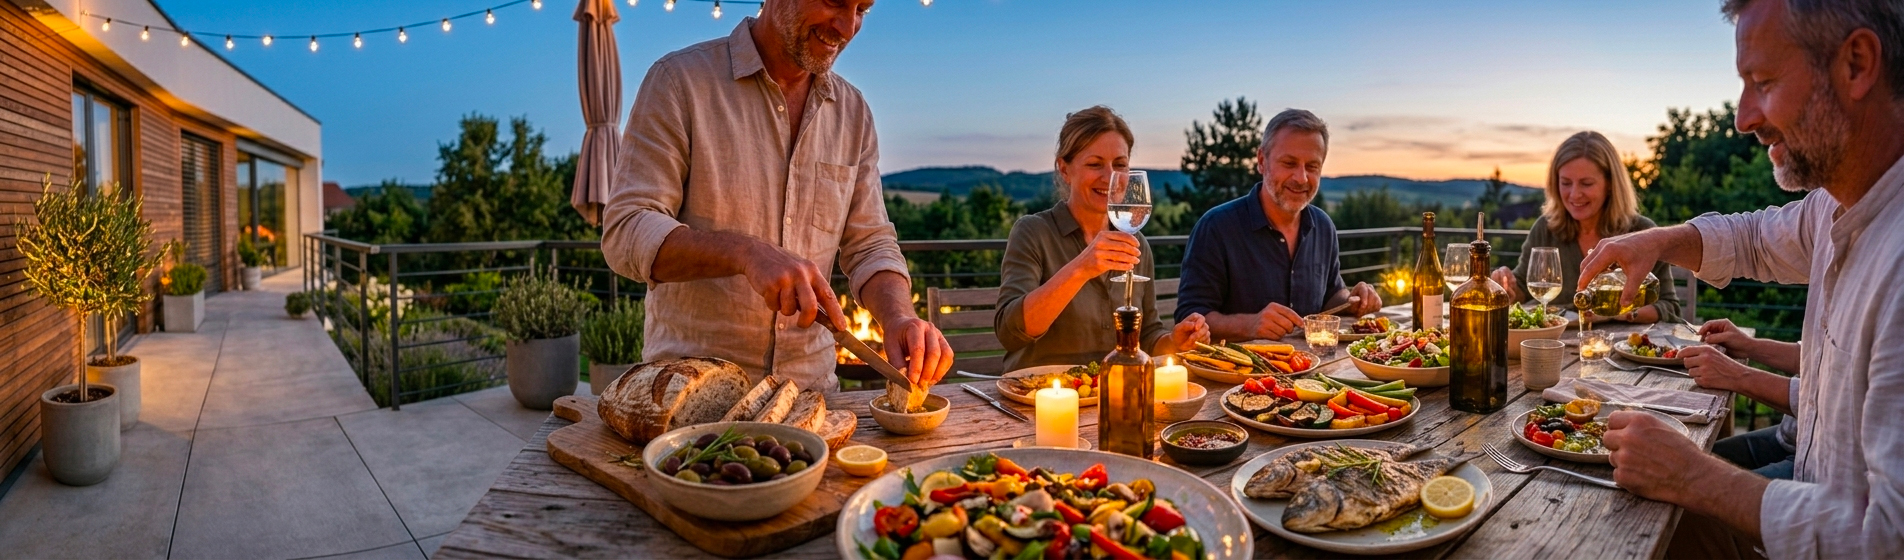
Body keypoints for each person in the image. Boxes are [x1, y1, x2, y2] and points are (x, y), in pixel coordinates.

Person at [1582, 0, 1904, 557]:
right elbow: (1752, 238)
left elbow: (1886, 540)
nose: (1743, 117)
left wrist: (1692, 477)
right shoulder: (1836, 207)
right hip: (1805, 472)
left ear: (1856, 64)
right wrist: (1655, 240)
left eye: (1763, 82)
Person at [600, 0, 952, 391]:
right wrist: (746, 253)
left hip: (812, 399)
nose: (848, 27)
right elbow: (627, 230)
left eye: (862, 10)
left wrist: (899, 317)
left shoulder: (853, 113)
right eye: (835, 2)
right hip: (691, 400)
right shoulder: (679, 81)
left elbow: (870, 244)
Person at [995, 106, 1211, 371]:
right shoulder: (1033, 232)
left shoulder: (1136, 243)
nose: (1110, 178)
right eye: (1095, 164)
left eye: (1119, 165)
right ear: (1064, 169)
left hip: (1113, 394)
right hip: (1039, 398)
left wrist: (1175, 343)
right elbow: (1009, 333)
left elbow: (1146, 336)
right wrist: (1080, 268)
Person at [1175, 109, 1384, 341]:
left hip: (1314, 368)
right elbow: (1189, 317)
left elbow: (1330, 297)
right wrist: (1250, 325)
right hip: (1239, 373)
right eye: (1289, 163)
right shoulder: (1216, 227)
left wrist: (1352, 301)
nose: (1301, 178)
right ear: (1262, 161)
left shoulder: (1323, 226)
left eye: (1312, 166)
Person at [1489, 131, 1682, 323]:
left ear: (1610, 184)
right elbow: (1523, 286)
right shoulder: (1545, 228)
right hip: (1559, 347)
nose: (1574, 194)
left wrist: (1617, 312)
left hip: (1617, 347)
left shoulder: (1640, 232)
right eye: (1565, 183)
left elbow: (1669, 306)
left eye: (1586, 184)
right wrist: (1507, 287)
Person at [1679, 319, 1802, 480]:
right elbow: (1812, 356)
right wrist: (1748, 345)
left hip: (1821, 468)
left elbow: (1832, 407)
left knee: (1689, 480)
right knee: (1683, 462)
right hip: (1791, 435)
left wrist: (1736, 375)